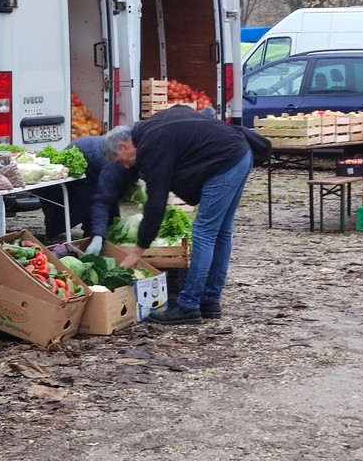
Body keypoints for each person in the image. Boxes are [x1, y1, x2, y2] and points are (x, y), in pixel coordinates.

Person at [107, 105, 252, 324]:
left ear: (123, 145)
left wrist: (138, 251)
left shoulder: (151, 145)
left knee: (203, 233)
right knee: (221, 232)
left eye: (121, 160)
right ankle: (210, 301)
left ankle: (189, 306)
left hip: (226, 162)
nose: (126, 166)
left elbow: (156, 204)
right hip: (240, 153)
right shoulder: (152, 128)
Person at [40, 132, 137, 253]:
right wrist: (97, 236)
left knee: (108, 218)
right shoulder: (114, 163)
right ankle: (91, 244)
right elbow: (102, 201)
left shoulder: (134, 150)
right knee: (90, 209)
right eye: (123, 163)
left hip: (94, 159)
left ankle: (101, 244)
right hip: (86, 163)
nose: (127, 166)